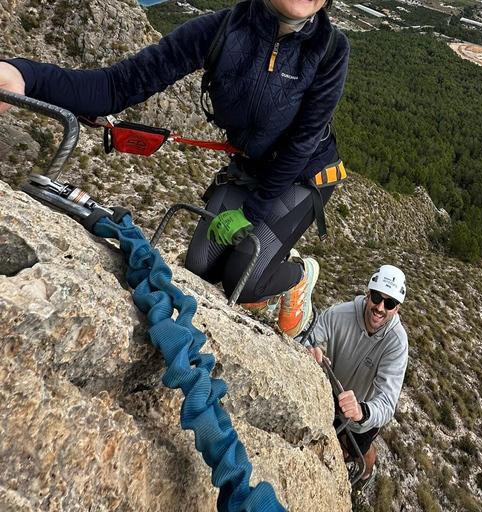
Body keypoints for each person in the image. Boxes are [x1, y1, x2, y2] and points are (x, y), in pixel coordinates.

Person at [0, 0, 349, 337]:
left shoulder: (329, 49)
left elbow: (301, 144)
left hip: (303, 174)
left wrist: (253, 211)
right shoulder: (223, 30)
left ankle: (299, 274)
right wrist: (23, 75)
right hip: (248, 167)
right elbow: (118, 85)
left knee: (244, 282)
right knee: (199, 268)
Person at [305, 265, 409, 490]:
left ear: (397, 309)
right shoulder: (339, 315)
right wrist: (308, 349)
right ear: (368, 293)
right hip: (332, 393)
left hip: (363, 413)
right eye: (377, 298)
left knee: (357, 450)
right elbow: (307, 335)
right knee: (334, 445)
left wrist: (363, 412)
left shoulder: (396, 343)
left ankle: (366, 472)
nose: (380, 308)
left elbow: (387, 401)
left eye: (389, 303)